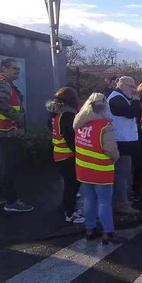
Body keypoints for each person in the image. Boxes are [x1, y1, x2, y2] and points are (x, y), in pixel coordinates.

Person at [0, 58, 33, 212]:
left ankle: (0, 196)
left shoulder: (3, 83)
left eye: (18, 69)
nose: (17, 71)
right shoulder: (2, 83)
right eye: (14, 68)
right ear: (3, 68)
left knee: (5, 164)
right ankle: (11, 202)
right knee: (9, 166)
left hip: (1, 130)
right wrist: (16, 117)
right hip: (4, 131)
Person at [73, 92, 126, 244]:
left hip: (83, 167)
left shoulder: (80, 122)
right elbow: (111, 150)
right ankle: (108, 232)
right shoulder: (104, 125)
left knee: (88, 199)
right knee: (104, 201)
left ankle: (90, 229)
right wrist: (115, 158)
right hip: (101, 169)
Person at [46, 87, 84, 224]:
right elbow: (70, 138)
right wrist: (80, 154)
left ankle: (68, 208)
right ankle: (70, 213)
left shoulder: (54, 113)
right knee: (71, 185)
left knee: (70, 184)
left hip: (59, 153)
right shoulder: (67, 115)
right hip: (68, 156)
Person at [106, 76, 141, 215]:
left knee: (123, 173)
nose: (134, 90)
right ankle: (122, 204)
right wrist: (136, 102)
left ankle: (122, 201)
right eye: (131, 87)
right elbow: (132, 113)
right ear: (123, 85)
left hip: (124, 141)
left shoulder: (120, 97)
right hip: (121, 142)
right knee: (122, 174)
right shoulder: (116, 98)